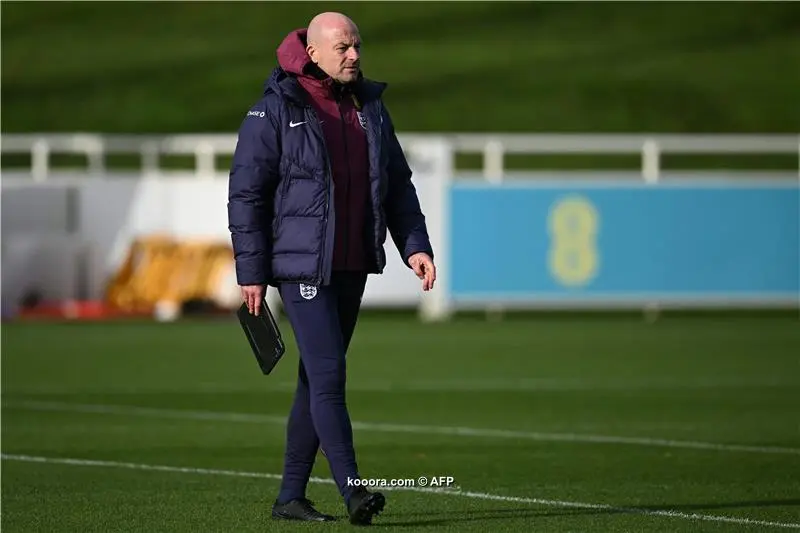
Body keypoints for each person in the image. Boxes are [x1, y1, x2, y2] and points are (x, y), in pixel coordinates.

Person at [227, 11, 436, 525]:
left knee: (313, 380)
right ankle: (354, 491)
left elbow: (397, 183)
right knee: (328, 375)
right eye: (343, 47)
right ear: (312, 52)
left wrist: (414, 244)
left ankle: (290, 497)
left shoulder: (371, 107)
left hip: (352, 265)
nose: (354, 56)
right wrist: (250, 271)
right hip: (301, 269)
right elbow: (246, 195)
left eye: (357, 46)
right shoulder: (274, 110)